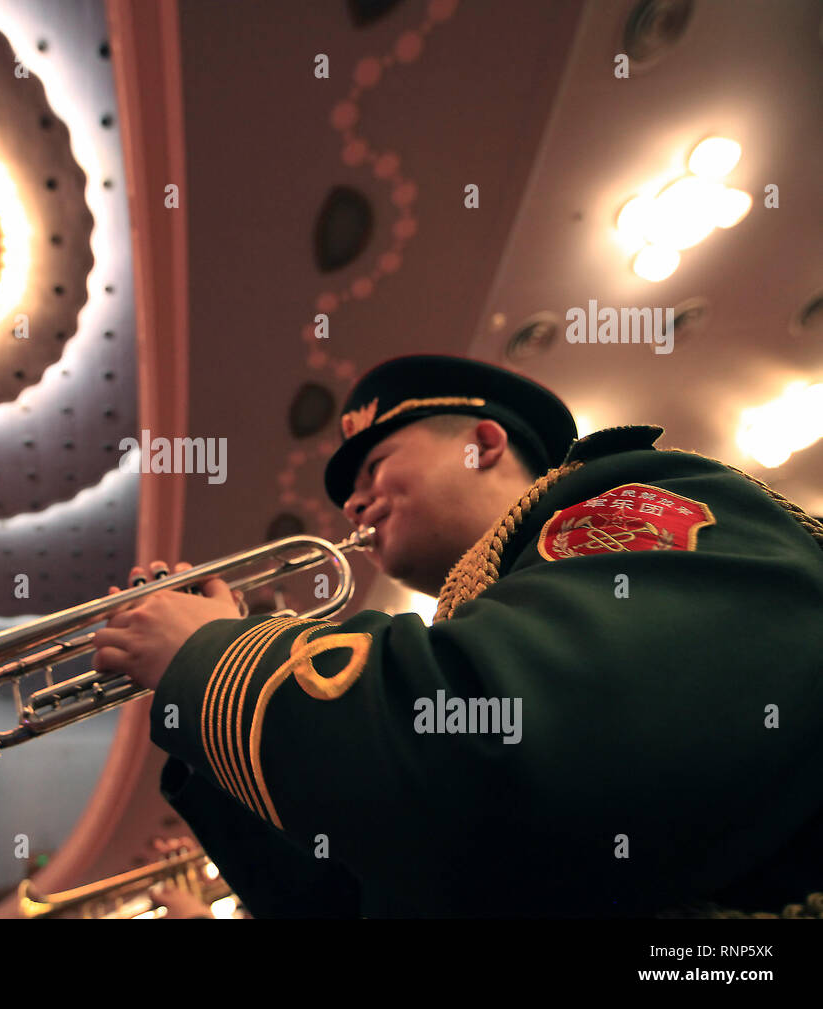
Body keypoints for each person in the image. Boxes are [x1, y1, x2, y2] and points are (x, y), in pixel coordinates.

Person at [93, 354, 823, 918]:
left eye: (374, 465)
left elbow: (513, 757)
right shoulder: (476, 618)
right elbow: (358, 900)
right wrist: (199, 704)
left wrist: (218, 657)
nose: (353, 499)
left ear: (483, 442)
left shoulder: (624, 495)